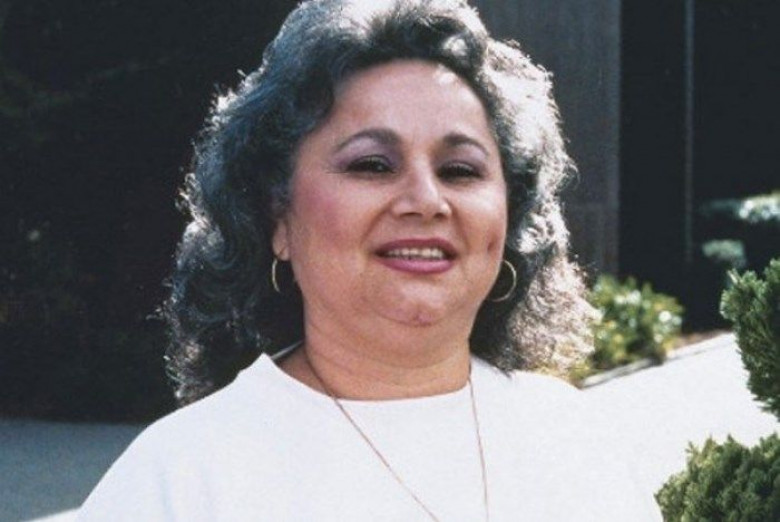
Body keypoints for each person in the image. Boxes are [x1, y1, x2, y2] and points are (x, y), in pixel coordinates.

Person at [78, 0, 662, 520]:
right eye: (372, 165)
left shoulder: (577, 442)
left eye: (460, 170)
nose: (427, 200)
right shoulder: (180, 479)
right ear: (276, 219)